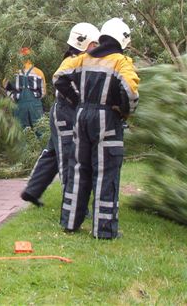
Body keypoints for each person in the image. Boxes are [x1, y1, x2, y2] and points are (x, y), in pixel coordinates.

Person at [53, 18, 140, 239]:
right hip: (106, 119)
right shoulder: (120, 61)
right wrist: (124, 111)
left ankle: (70, 222)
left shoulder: (84, 58)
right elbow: (130, 91)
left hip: (81, 117)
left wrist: (77, 99)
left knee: (79, 168)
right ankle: (104, 229)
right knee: (106, 171)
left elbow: (58, 77)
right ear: (122, 39)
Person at [21, 23, 100, 207]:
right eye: (94, 43)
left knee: (53, 153)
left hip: (65, 112)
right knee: (68, 155)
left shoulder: (83, 59)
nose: (96, 47)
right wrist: (77, 100)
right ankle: (71, 202)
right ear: (83, 42)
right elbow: (58, 80)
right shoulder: (72, 59)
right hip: (65, 112)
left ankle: (32, 190)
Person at [5, 47, 46, 129]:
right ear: (31, 57)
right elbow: (43, 92)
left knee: (21, 132)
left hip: (19, 106)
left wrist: (13, 98)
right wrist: (36, 99)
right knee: (40, 129)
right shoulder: (38, 72)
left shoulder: (13, 72)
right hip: (35, 106)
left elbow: (6, 86)